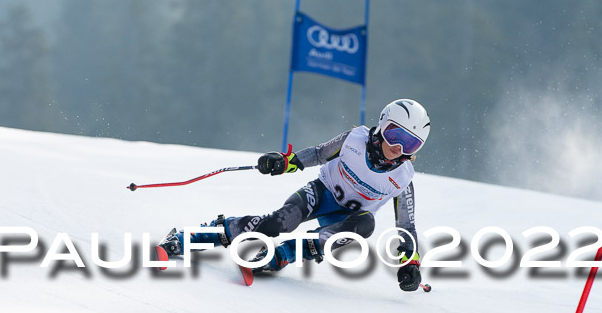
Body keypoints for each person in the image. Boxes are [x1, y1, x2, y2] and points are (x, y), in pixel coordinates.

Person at [160, 99, 430, 291]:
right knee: (277, 223)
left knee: (365, 224)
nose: (398, 147)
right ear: (382, 124)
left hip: (348, 218)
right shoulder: (354, 140)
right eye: (395, 135)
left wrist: (410, 264)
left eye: (410, 143)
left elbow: (406, 227)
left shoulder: (403, 179)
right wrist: (284, 162)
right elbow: (317, 154)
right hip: (321, 192)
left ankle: (281, 255)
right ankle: (190, 237)